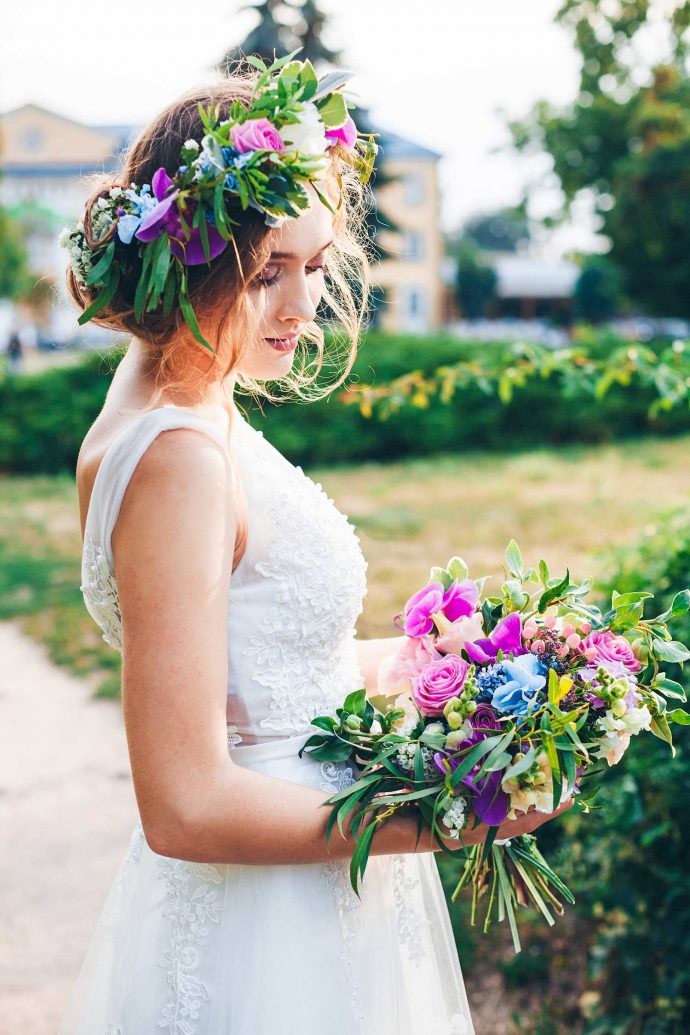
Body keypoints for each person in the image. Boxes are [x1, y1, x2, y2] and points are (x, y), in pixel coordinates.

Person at [58, 58, 571, 1035]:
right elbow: (185, 803)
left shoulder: (185, 410)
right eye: (268, 274)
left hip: (313, 879)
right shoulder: (176, 455)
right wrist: (458, 817)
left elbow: (268, 671)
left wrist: (451, 659)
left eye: (317, 263)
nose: (302, 307)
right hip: (270, 925)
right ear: (191, 259)